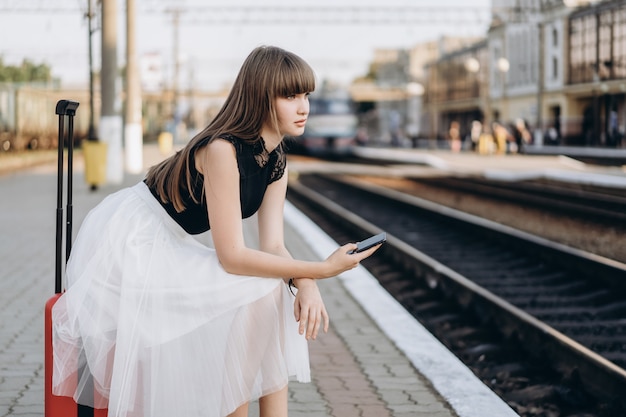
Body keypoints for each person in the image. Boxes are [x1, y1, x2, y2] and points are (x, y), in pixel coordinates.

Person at [51, 46, 381, 417]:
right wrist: (320, 269)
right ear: (260, 97)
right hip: (130, 240)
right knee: (260, 289)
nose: (303, 106)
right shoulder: (223, 150)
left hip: (169, 241)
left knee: (273, 289)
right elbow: (233, 257)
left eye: (306, 95)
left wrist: (306, 283)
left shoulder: (276, 161)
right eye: (289, 96)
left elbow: (273, 245)